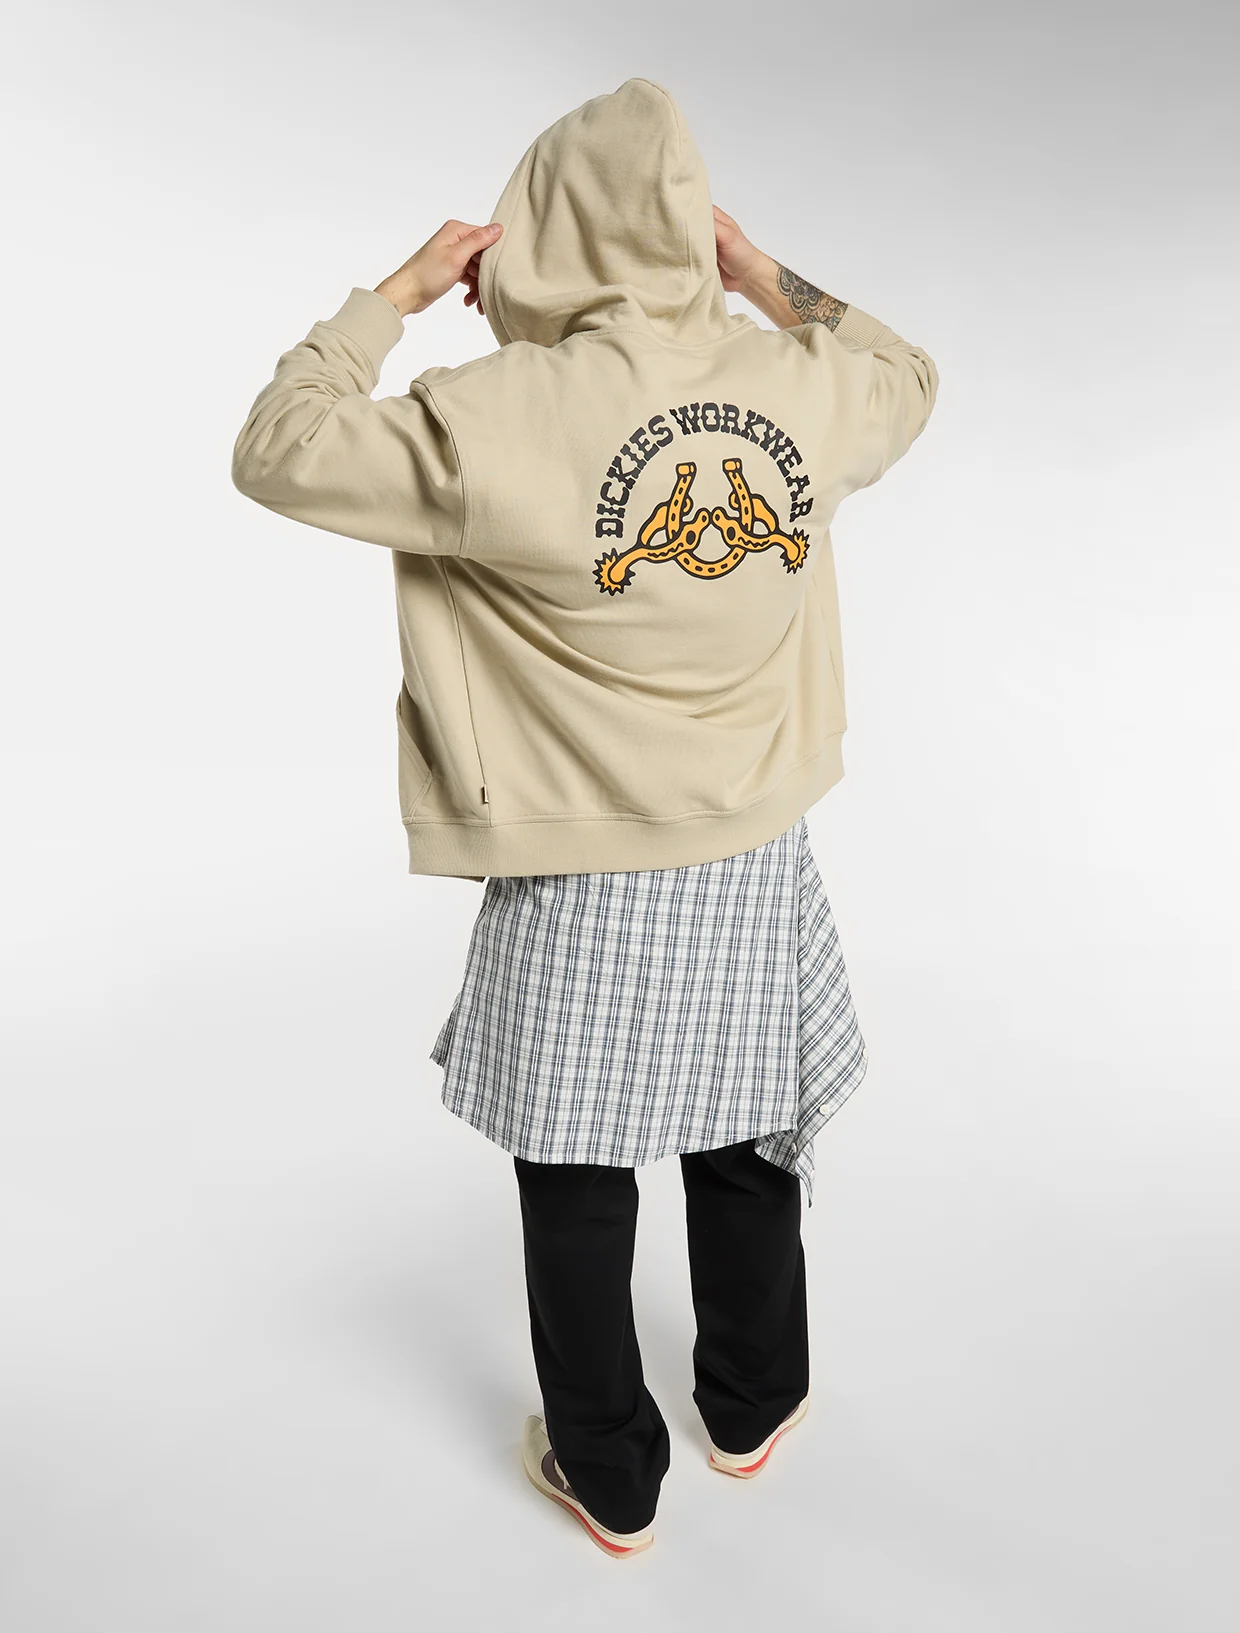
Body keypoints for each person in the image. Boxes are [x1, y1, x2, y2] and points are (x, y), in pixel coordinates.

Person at [231, 77, 938, 1559]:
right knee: (747, 1127)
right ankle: (752, 1403)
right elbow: (906, 371)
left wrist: (394, 296)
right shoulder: (797, 386)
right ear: (687, 232)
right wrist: (758, 271)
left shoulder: (485, 419)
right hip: (752, 852)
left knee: (573, 1165)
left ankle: (608, 1470)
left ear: (535, 237)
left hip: (574, 866)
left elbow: (279, 446)